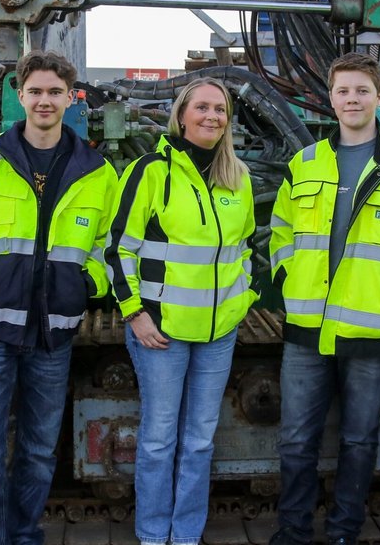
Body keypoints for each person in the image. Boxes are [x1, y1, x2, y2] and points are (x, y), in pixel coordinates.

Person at [0, 50, 117, 545]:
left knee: (37, 452)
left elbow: (112, 242)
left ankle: (26, 534)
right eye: (35, 91)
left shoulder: (97, 170)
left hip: (54, 339)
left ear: (73, 98)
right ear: (19, 95)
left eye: (55, 92)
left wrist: (89, 283)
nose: (45, 101)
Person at [267, 52, 380, 545]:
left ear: (379, 98)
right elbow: (279, 229)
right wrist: (288, 275)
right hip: (306, 325)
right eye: (343, 91)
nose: (352, 99)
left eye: (362, 90)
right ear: (330, 99)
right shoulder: (305, 164)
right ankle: (293, 530)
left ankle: (344, 530)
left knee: (359, 440)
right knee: (297, 440)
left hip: (373, 326)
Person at [105, 77, 257, 545]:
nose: (212, 116)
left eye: (221, 109)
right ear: (182, 114)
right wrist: (136, 313)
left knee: (199, 442)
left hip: (219, 334)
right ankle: (153, 536)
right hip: (161, 334)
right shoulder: (150, 171)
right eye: (203, 107)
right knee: (157, 441)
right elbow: (116, 250)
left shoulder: (239, 177)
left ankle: (186, 535)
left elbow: (245, 248)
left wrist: (242, 299)